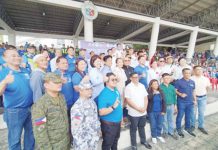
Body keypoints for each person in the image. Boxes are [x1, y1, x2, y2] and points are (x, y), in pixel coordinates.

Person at [0, 46, 34, 149]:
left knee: (31, 136)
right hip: (14, 111)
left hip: (30, 108)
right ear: (5, 58)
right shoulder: (3, 73)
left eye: (18, 55)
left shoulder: (25, 70)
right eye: (13, 56)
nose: (17, 57)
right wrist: (5, 82)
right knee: (15, 139)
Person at [31, 73, 70, 150]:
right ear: (46, 85)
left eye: (59, 82)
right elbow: (40, 130)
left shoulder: (61, 97)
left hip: (65, 142)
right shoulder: (41, 104)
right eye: (55, 82)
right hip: (53, 145)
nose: (59, 84)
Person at [125, 72, 152, 150]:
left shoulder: (142, 85)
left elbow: (145, 98)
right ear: (130, 78)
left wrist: (144, 108)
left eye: (137, 77)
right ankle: (134, 145)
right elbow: (128, 100)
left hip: (143, 111)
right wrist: (138, 108)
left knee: (142, 127)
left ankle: (143, 141)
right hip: (133, 113)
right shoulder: (128, 87)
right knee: (133, 129)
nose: (136, 79)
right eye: (135, 77)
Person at [71, 81, 101, 150]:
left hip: (93, 139)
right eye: (87, 89)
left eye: (91, 89)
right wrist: (82, 146)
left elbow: (96, 118)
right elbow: (76, 131)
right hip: (83, 144)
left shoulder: (92, 102)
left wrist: (98, 130)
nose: (90, 91)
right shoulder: (77, 107)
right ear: (80, 91)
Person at [98, 73, 123, 150]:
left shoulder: (116, 90)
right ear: (107, 82)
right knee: (107, 144)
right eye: (112, 79)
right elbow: (101, 112)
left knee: (115, 142)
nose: (115, 81)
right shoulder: (103, 94)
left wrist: (121, 118)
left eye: (116, 79)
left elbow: (119, 105)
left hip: (117, 122)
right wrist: (113, 107)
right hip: (109, 125)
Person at [175, 68, 196, 138]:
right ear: (183, 73)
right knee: (180, 116)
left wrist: (194, 100)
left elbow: (193, 91)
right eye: (186, 73)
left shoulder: (192, 82)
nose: (188, 74)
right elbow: (175, 90)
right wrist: (180, 94)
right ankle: (178, 129)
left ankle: (187, 128)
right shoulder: (179, 82)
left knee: (188, 116)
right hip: (181, 102)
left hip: (190, 102)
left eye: (189, 73)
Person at [190, 65, 211, 134]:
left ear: (202, 70)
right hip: (193, 98)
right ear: (194, 70)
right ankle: (192, 125)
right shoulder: (191, 79)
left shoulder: (205, 79)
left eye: (200, 69)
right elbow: (190, 89)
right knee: (193, 113)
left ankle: (201, 126)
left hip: (203, 98)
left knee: (201, 113)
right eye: (197, 69)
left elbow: (208, 87)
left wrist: (204, 93)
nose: (199, 71)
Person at [147, 79, 166, 144]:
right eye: (154, 84)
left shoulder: (161, 91)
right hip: (151, 111)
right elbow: (148, 99)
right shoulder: (148, 91)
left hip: (160, 111)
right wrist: (153, 93)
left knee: (160, 124)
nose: (156, 85)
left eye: (157, 83)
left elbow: (164, 102)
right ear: (151, 85)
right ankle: (154, 136)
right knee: (153, 125)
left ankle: (159, 135)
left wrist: (163, 110)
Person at [160, 73, 178, 140]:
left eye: (168, 78)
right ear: (162, 79)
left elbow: (174, 96)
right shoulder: (160, 87)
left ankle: (171, 132)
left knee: (170, 119)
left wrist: (175, 105)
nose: (167, 79)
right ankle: (165, 132)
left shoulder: (172, 87)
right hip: (163, 106)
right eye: (165, 78)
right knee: (164, 120)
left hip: (171, 105)